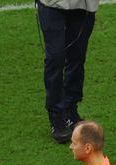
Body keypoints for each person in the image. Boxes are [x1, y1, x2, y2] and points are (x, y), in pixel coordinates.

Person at [36, 0, 98, 144]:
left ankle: (70, 109)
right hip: (51, 4)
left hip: (84, 5)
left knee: (77, 57)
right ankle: (56, 113)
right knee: (55, 58)